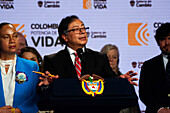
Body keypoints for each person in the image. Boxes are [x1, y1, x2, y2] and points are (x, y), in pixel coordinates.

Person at [0, 22, 40, 113]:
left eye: (15, 36)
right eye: (6, 37)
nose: (12, 40)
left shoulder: (31, 66)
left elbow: (36, 96)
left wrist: (19, 110)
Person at [139, 23, 170, 113]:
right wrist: (159, 109)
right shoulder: (148, 66)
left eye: (169, 38)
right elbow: (144, 93)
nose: (167, 43)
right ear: (157, 42)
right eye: (163, 40)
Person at [100, 44, 140, 113]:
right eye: (107, 57)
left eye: (114, 57)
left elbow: (134, 107)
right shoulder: (97, 82)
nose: (111, 60)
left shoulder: (126, 80)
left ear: (118, 60)